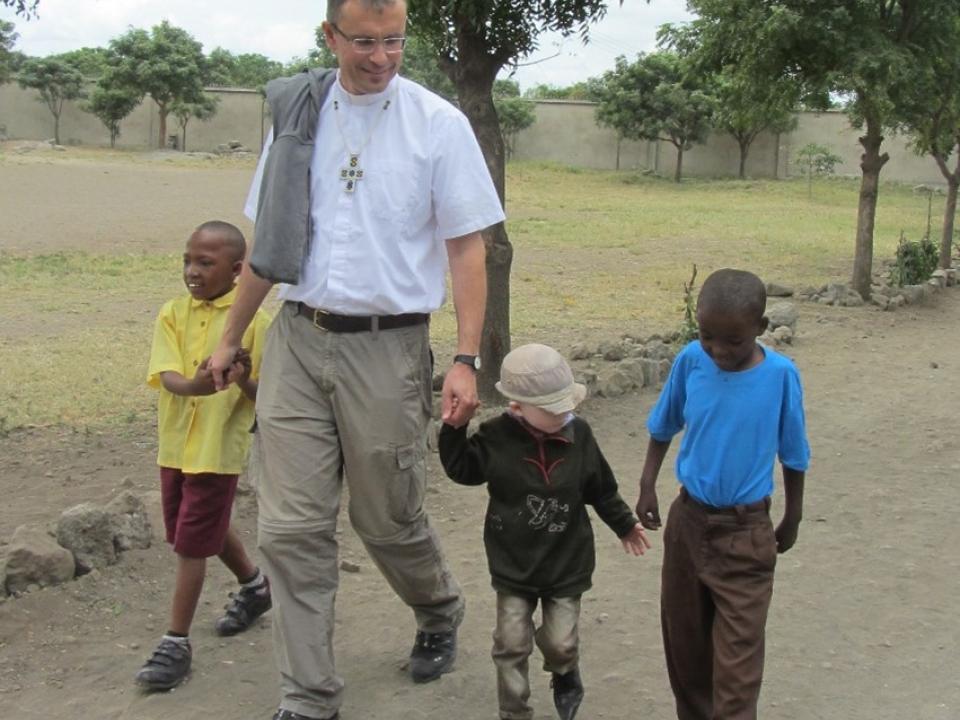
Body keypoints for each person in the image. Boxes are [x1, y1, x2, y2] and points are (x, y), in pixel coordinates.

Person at [207, 1, 505, 718]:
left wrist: (465, 357)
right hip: (299, 341)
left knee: (386, 516)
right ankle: (307, 695)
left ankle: (437, 607)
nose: (381, 56)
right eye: (364, 41)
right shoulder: (298, 116)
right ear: (330, 36)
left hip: (388, 346)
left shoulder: (438, 125)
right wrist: (231, 335)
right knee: (289, 528)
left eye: (394, 40)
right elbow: (270, 242)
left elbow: (467, 247)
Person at [438, 343, 651, 720]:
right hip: (513, 563)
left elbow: (600, 487)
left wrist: (624, 524)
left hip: (566, 561)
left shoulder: (579, 435)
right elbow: (462, 470)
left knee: (561, 643)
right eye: (555, 409)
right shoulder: (495, 437)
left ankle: (565, 671)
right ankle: (514, 711)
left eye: (568, 403)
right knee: (510, 644)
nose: (567, 412)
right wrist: (454, 429)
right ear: (516, 407)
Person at [636, 268, 811, 720]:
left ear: (760, 328)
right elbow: (663, 425)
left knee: (737, 672)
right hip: (688, 526)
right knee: (687, 654)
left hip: (746, 535)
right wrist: (647, 484)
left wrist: (792, 516)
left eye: (733, 341)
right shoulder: (691, 362)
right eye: (706, 335)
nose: (717, 350)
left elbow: (794, 455)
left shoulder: (780, 377)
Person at [136, 221, 273, 691]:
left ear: (237, 271)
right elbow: (166, 374)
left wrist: (242, 379)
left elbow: (267, 394)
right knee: (193, 527)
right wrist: (198, 384)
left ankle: (175, 642)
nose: (192, 271)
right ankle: (256, 587)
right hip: (175, 445)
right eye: (188, 261)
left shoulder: (253, 322)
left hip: (217, 449)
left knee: (191, 542)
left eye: (205, 263)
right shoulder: (172, 313)